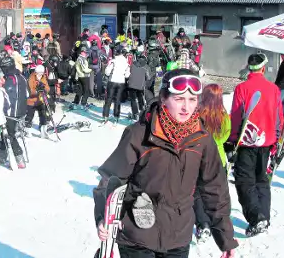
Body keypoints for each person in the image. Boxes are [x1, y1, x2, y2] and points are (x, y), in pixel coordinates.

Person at [94, 69, 237, 258]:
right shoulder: (139, 134)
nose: (186, 107)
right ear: (163, 98)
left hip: (178, 237)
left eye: (192, 100)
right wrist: (103, 216)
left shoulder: (202, 140)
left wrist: (225, 238)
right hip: (137, 234)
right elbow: (110, 178)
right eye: (179, 99)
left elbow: (215, 188)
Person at [228, 53, 282, 237]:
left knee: (244, 181)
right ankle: (263, 217)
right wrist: (276, 140)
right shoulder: (273, 89)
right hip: (266, 141)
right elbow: (278, 117)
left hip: (247, 141)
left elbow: (236, 115)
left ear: (248, 67)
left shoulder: (242, 88)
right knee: (261, 179)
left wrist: (233, 138)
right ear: (263, 68)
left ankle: (257, 218)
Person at [193, 83, 231, 242]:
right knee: (214, 192)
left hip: (199, 156)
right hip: (218, 157)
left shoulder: (197, 114)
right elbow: (225, 137)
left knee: (196, 192)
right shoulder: (224, 116)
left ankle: (203, 223)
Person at [1, 57, 28, 168]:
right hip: (21, 111)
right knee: (3, 133)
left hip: (12, 113)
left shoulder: (11, 79)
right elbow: (27, 93)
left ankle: (19, 159)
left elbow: (8, 97)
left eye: (3, 68)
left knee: (9, 135)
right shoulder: (21, 76)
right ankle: (2, 155)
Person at [102, 49, 131, 123]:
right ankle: (116, 116)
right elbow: (127, 75)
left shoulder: (113, 61)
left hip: (112, 80)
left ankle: (105, 116)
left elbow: (107, 72)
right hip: (121, 82)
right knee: (118, 100)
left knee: (109, 99)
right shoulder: (126, 63)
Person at [25, 64, 51, 138]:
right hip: (31, 101)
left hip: (40, 100)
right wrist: (37, 90)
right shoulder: (31, 78)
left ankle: (43, 131)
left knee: (43, 115)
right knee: (30, 116)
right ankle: (27, 130)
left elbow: (48, 88)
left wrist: (44, 88)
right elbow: (30, 91)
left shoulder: (43, 77)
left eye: (42, 73)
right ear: (36, 72)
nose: (40, 74)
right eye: (39, 73)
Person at [127, 53, 148, 121]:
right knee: (140, 98)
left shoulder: (133, 64)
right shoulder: (145, 66)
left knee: (133, 99)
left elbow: (129, 72)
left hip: (131, 84)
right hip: (140, 86)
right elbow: (148, 77)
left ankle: (135, 114)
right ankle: (142, 111)